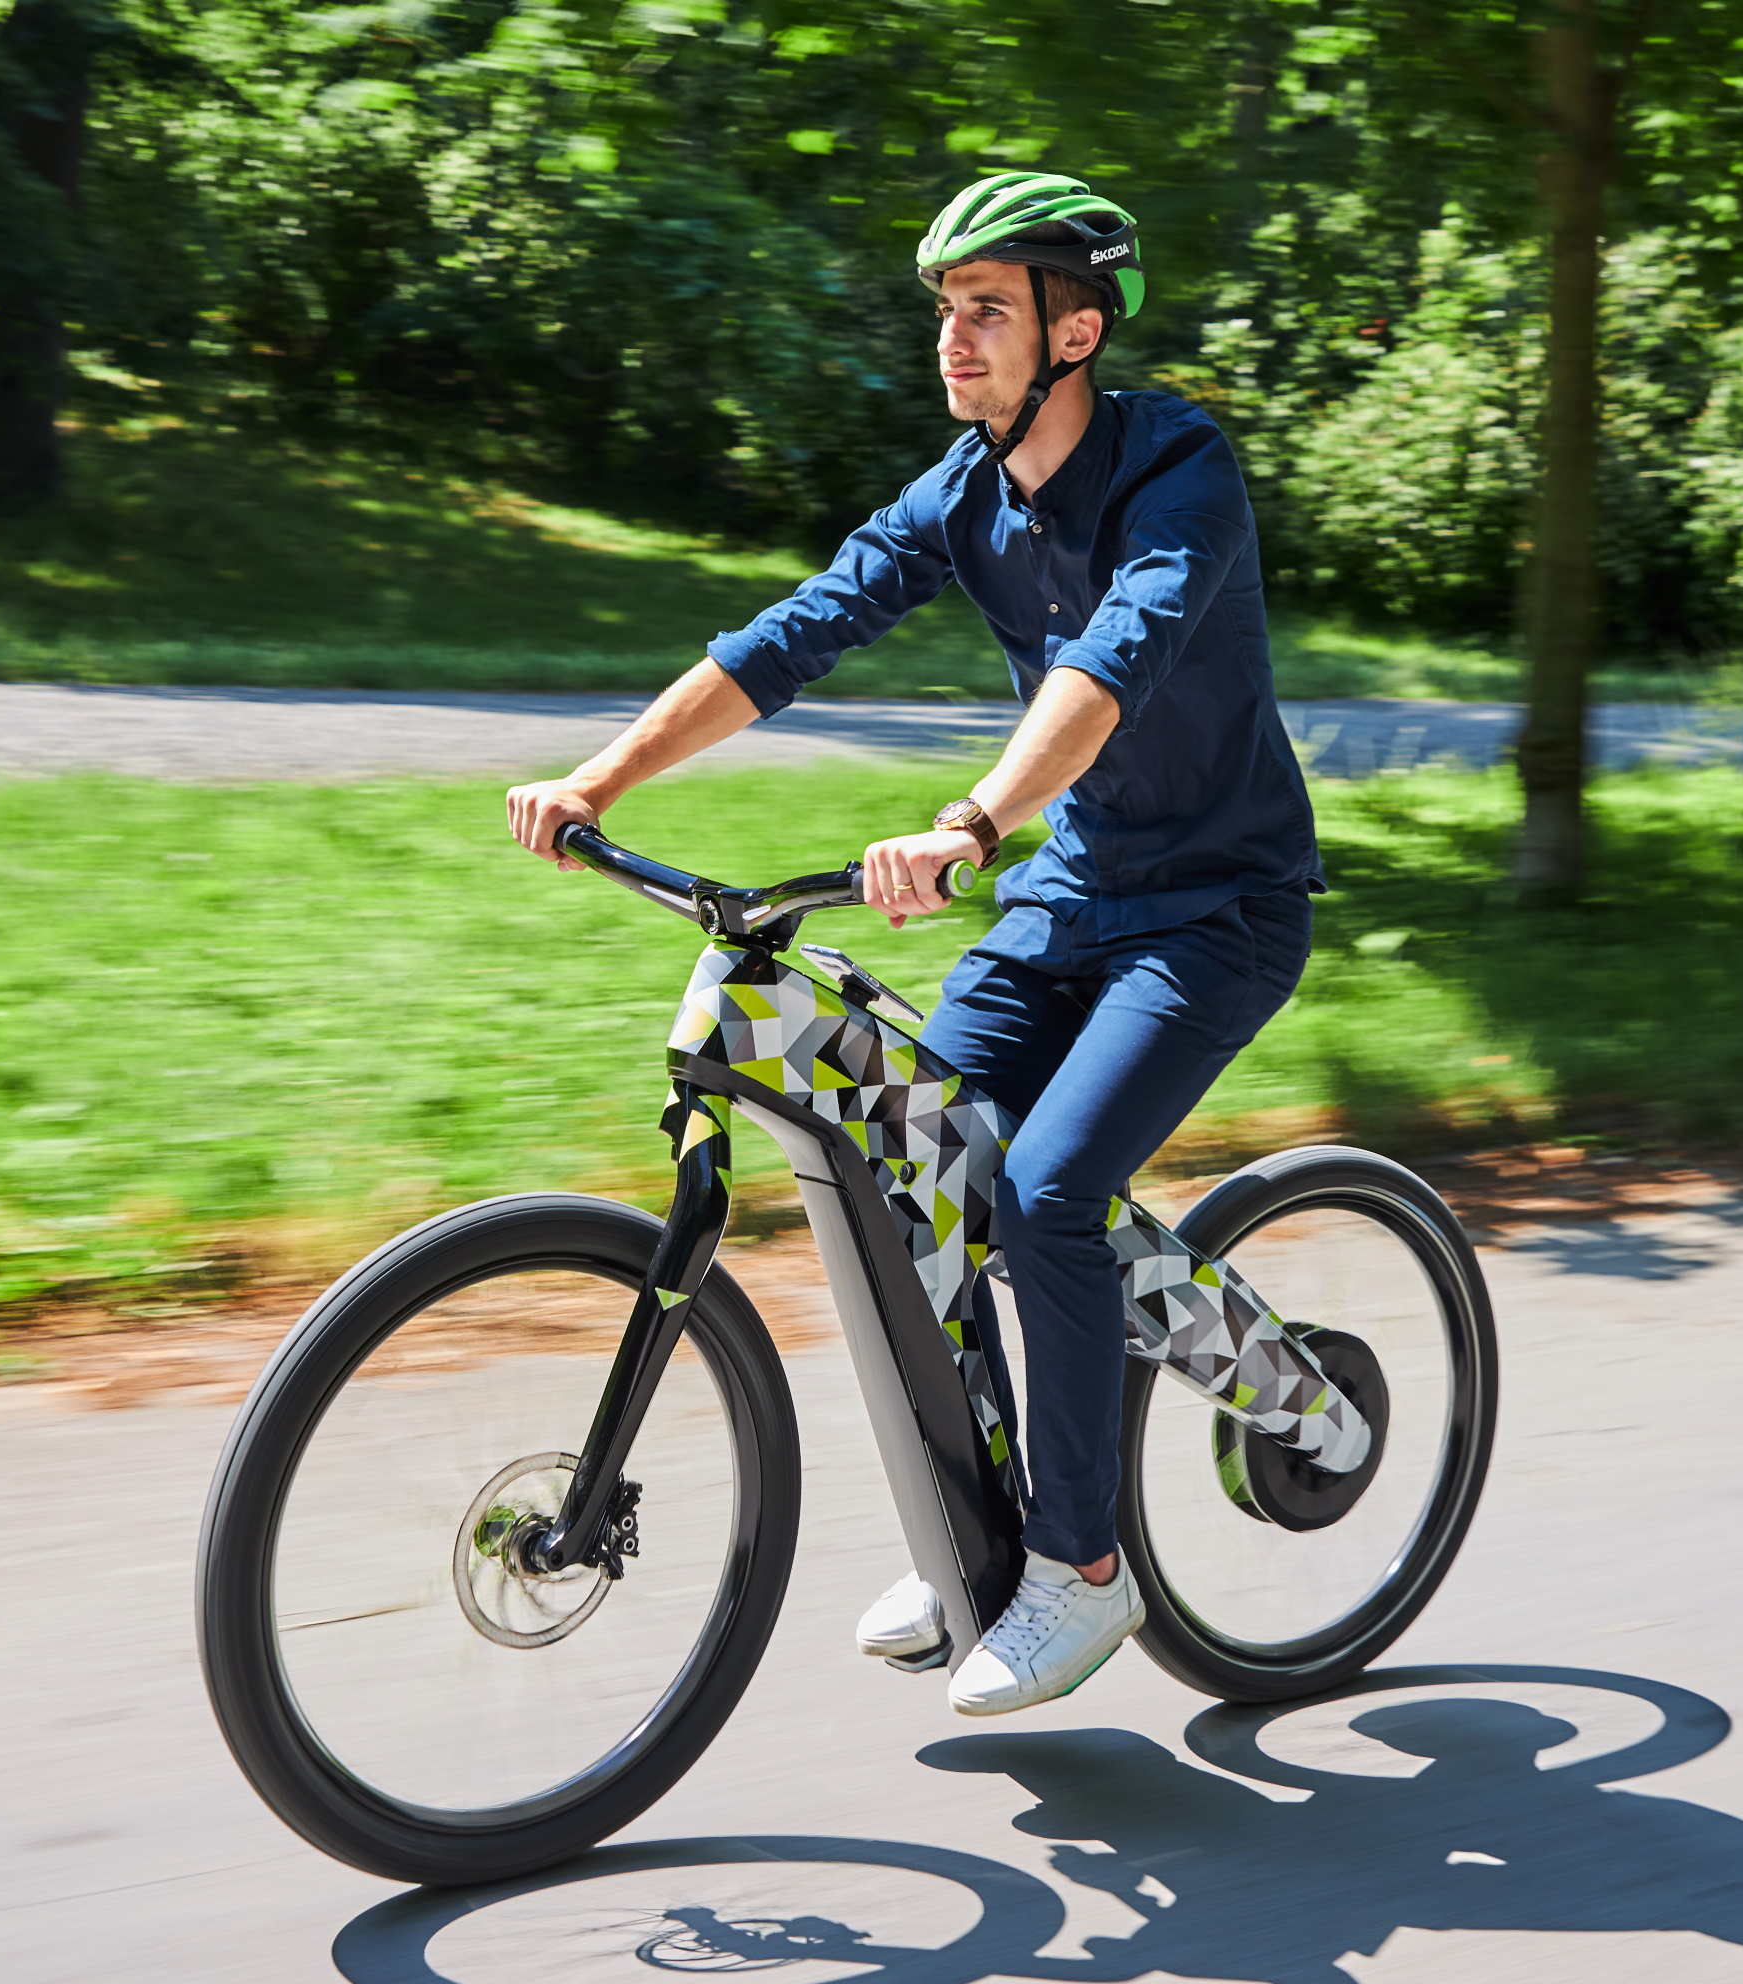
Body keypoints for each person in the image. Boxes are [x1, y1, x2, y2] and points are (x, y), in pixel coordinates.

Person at [506, 171, 1318, 1716]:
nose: (955, 340)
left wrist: (969, 823)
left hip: (1216, 911)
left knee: (1046, 1191)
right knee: (917, 1165)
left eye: (988, 311)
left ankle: (1079, 1572)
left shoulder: (1179, 472)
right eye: (947, 312)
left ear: (1074, 334)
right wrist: (598, 779)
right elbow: (790, 638)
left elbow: (1106, 669)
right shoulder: (963, 491)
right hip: (1067, 902)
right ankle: (986, 1540)